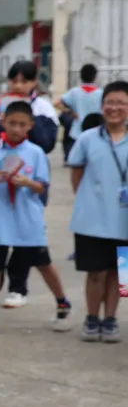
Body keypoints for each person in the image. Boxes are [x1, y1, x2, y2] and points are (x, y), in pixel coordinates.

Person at [0, 101, 71, 335]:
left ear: (30, 126)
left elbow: (42, 187)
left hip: (27, 216)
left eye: (22, 124)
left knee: (42, 262)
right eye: (12, 123)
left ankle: (62, 302)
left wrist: (27, 182)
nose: (16, 129)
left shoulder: (35, 152)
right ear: (3, 122)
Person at [0, 60, 59, 308]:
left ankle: (113, 312)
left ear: (35, 82)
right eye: (14, 80)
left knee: (116, 267)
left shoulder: (43, 108)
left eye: (25, 80)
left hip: (118, 214)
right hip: (8, 194)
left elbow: (48, 143)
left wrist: (28, 117)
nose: (18, 85)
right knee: (0, 245)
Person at [66, 80, 128, 342]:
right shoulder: (87, 139)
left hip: (125, 220)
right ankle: (92, 318)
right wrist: (89, 199)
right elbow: (76, 175)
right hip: (92, 219)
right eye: (109, 102)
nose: (114, 108)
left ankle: (111, 319)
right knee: (96, 272)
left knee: (120, 273)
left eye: (121, 103)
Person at [55, 64, 103, 160]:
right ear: (95, 76)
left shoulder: (74, 92)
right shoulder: (101, 93)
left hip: (77, 129)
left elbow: (56, 103)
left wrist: (70, 112)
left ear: (81, 76)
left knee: (78, 158)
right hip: (96, 128)